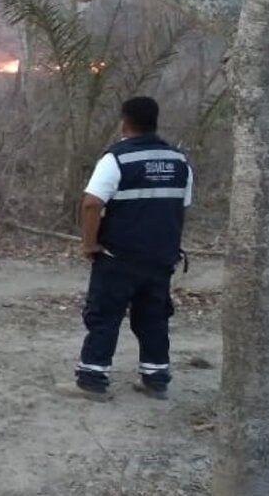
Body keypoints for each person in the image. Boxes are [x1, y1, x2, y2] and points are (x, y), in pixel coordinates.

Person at [71, 96, 193, 401]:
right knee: (153, 317)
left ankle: (92, 379)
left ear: (124, 122)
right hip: (161, 258)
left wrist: (89, 243)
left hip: (118, 257)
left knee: (105, 315)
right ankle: (156, 379)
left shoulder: (117, 159)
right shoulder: (179, 161)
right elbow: (182, 206)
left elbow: (91, 203)